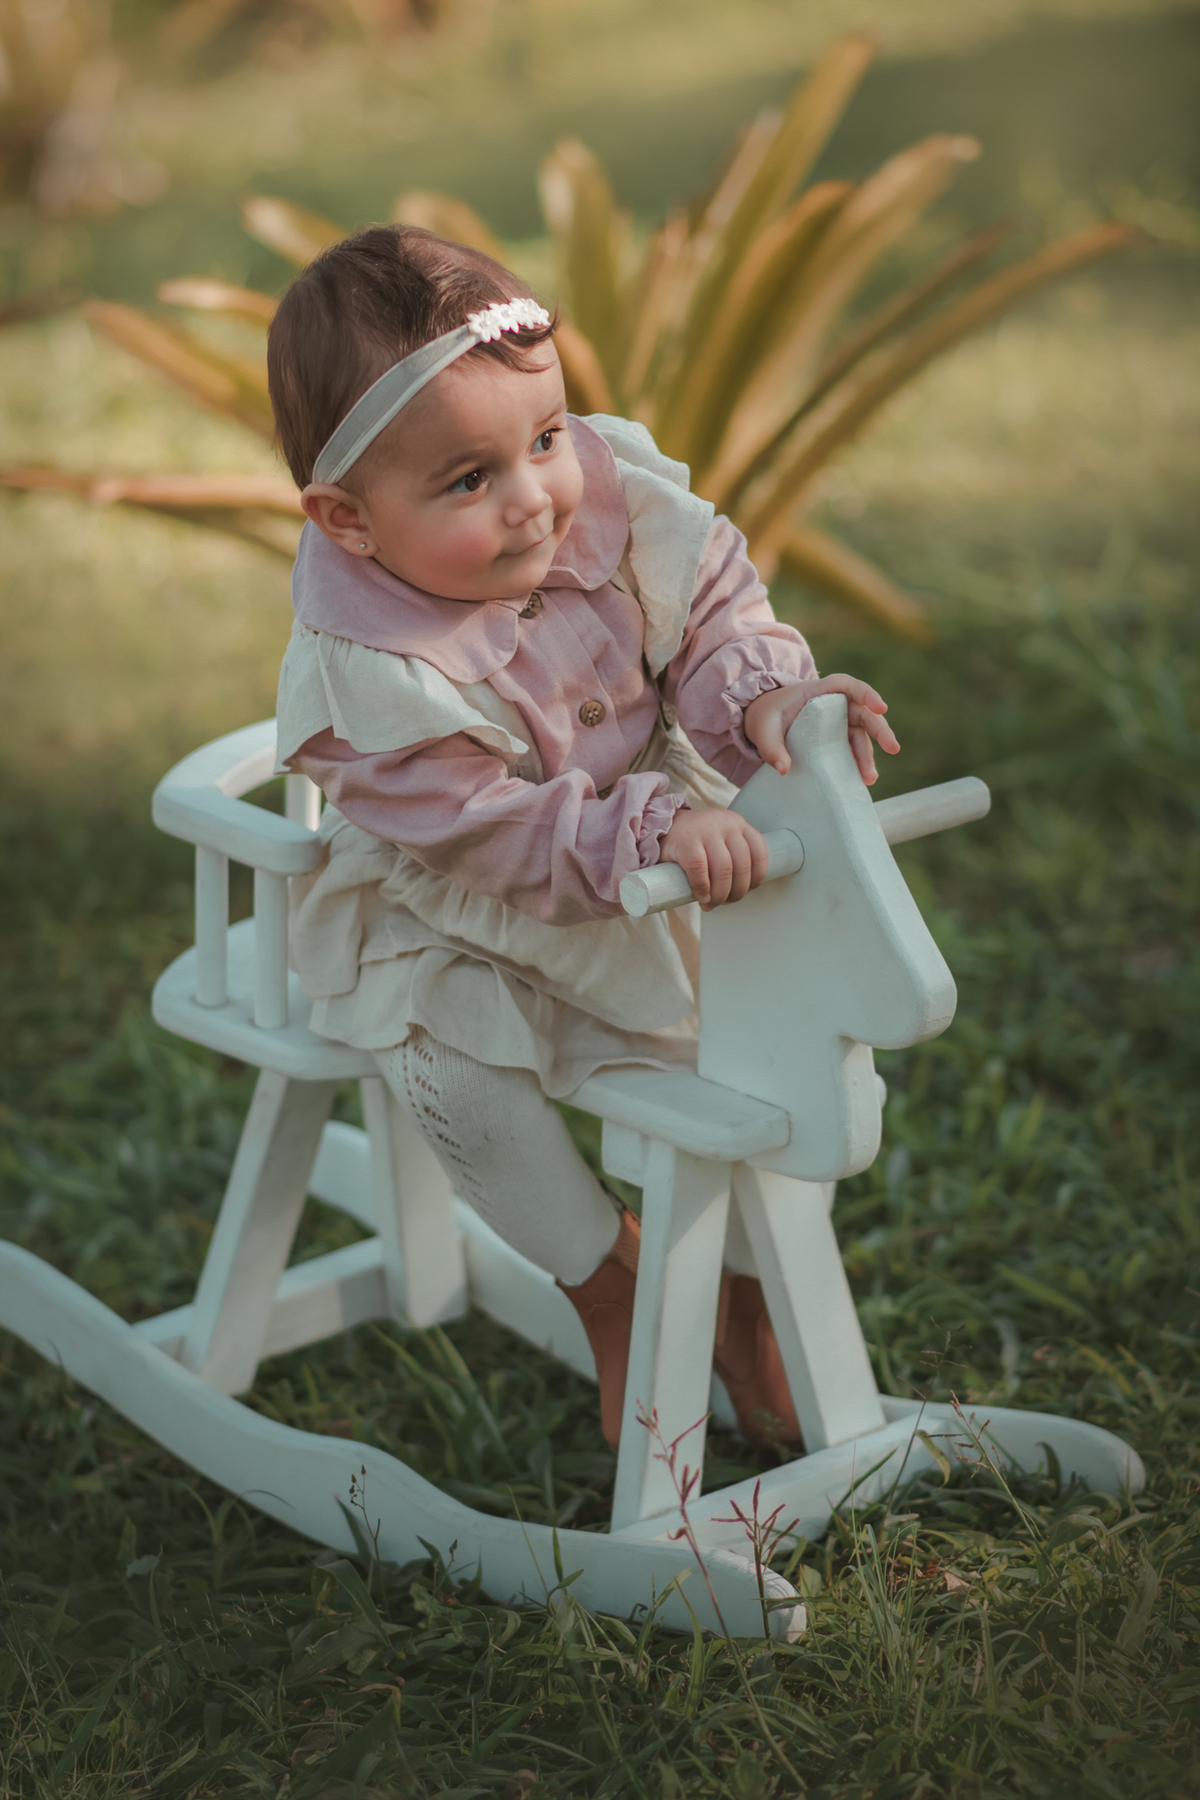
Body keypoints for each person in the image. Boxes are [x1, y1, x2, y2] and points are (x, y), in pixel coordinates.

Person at [267, 225, 899, 1452]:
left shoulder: (610, 494)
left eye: (546, 438)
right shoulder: (367, 668)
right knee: (450, 1064)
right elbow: (480, 832)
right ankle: (607, 1284)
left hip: (661, 861)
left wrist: (762, 698)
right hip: (457, 896)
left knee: (768, 1041)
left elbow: (709, 607)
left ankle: (744, 1300)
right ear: (349, 519)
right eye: (469, 480)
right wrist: (654, 825)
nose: (532, 499)